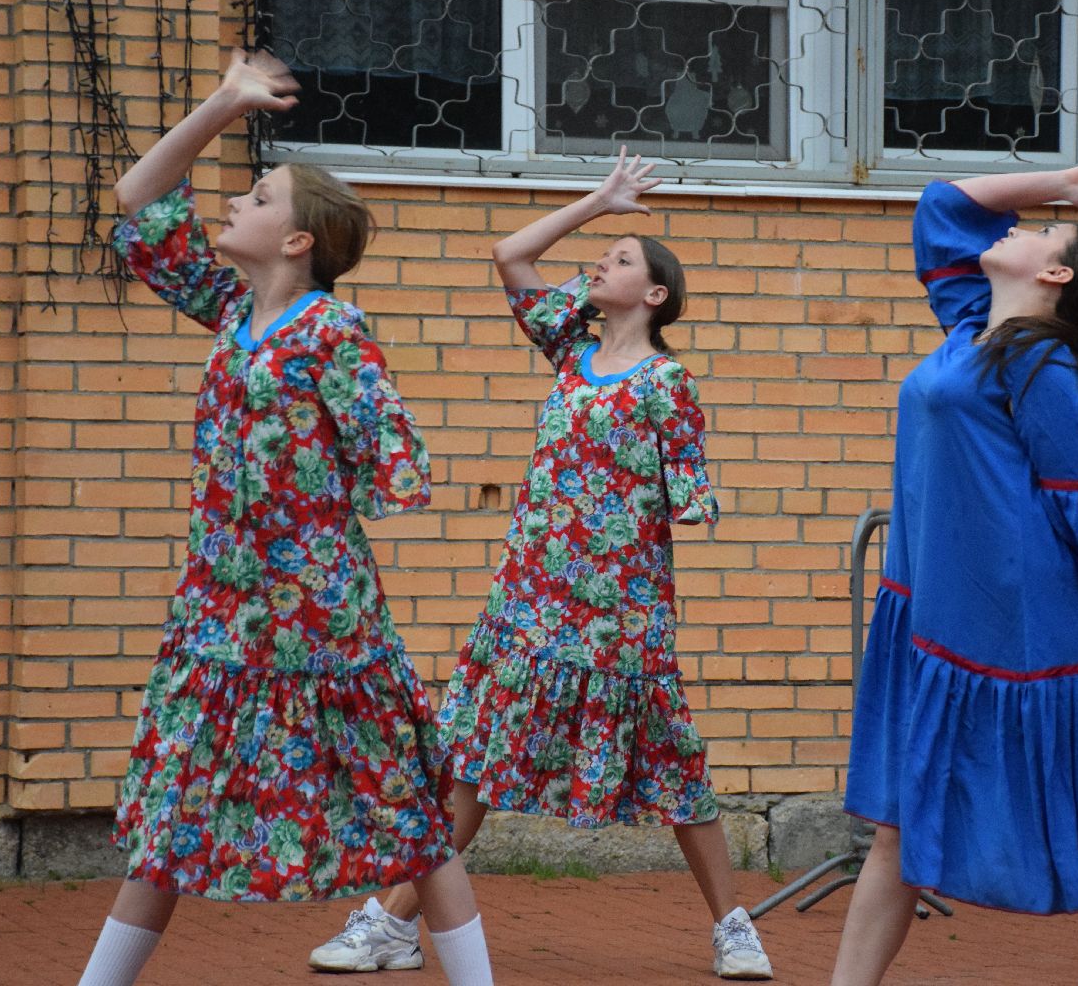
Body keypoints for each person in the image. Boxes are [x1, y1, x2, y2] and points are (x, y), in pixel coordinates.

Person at [75, 50, 491, 986]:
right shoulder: (230, 312)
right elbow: (138, 200)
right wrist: (221, 104)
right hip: (219, 618)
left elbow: (400, 466)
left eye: (258, 197)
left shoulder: (332, 332)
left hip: (322, 625)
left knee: (410, 821)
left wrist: (308, 494)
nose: (234, 203)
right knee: (174, 815)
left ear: (299, 240)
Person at [308, 149, 773, 980]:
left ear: (656, 295)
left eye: (622, 260)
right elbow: (511, 256)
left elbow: (688, 498)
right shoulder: (568, 349)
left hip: (621, 614)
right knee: (474, 758)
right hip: (529, 599)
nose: (602, 261)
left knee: (673, 768)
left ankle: (734, 926)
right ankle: (392, 923)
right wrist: (599, 203)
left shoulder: (671, 383)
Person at [830, 146, 1078, 986]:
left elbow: (1073, 503)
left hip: (1023, 636)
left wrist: (1051, 616)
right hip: (937, 617)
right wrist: (1067, 185)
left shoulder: (1039, 362)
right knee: (896, 829)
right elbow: (943, 205)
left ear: (1053, 274)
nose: (1017, 222)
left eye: (1042, 227)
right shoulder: (971, 324)